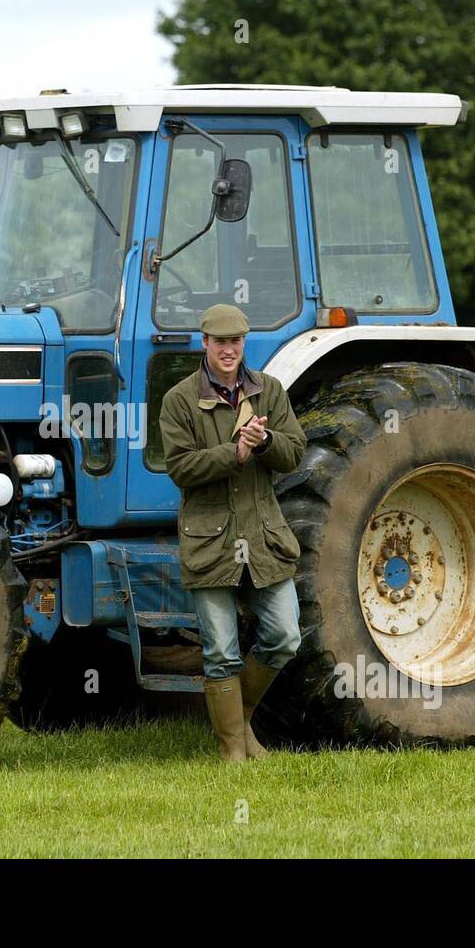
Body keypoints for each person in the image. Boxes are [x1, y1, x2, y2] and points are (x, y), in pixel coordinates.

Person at [159, 304, 307, 762]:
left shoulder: (270, 391)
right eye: (220, 342)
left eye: (236, 342)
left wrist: (265, 442)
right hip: (210, 540)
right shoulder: (179, 400)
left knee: (285, 636)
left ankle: (238, 723)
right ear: (204, 343)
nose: (229, 350)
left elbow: (296, 452)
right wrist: (234, 454)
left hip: (264, 536)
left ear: (244, 344)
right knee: (220, 652)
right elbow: (180, 468)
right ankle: (232, 750)